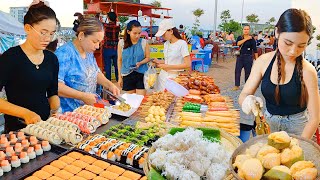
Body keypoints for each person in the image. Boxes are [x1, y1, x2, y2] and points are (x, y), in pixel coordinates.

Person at [238, 8, 320, 142]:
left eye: (301, 46)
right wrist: (248, 101)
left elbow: (315, 118)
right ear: (277, 32)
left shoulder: (308, 71)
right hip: (269, 125)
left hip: (299, 128)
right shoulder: (263, 62)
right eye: (288, 43)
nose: (293, 51)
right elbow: (244, 95)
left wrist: (299, 145)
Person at [0, 1, 60, 132]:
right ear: (27, 28)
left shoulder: (51, 59)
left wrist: (56, 110)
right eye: (43, 32)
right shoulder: (11, 57)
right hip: (17, 130)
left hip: (45, 128)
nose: (48, 38)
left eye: (51, 34)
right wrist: (25, 113)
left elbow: (52, 93)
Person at [55, 17, 120, 112]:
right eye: (94, 41)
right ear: (81, 35)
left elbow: (95, 72)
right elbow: (56, 86)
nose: (97, 46)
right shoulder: (64, 54)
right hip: (69, 114)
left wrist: (110, 85)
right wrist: (82, 96)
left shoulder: (88, 52)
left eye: (99, 42)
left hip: (89, 111)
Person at [153, 19, 191, 91]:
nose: (163, 37)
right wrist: (158, 61)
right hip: (163, 76)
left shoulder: (182, 44)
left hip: (175, 77)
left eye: (164, 34)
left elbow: (187, 64)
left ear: (171, 31)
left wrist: (168, 67)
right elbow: (169, 60)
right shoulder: (166, 44)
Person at [117, 20, 150, 95]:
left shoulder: (144, 42)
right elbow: (119, 60)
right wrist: (119, 77)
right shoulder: (121, 43)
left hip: (141, 74)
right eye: (135, 33)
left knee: (140, 99)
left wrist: (140, 63)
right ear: (128, 32)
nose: (137, 36)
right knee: (130, 101)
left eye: (139, 33)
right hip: (127, 74)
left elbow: (148, 58)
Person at [232, 25, 258, 91]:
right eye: (245, 29)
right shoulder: (240, 37)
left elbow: (255, 50)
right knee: (237, 71)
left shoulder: (252, 39)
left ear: (249, 30)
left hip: (248, 57)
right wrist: (246, 39)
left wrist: (257, 60)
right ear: (243, 30)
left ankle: (247, 85)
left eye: (247, 29)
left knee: (248, 72)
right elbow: (238, 43)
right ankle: (236, 85)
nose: (246, 30)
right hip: (240, 56)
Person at [102, 11, 121, 81]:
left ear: (108, 18)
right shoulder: (118, 27)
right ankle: (118, 80)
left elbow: (98, 21)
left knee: (107, 66)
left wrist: (101, 14)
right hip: (116, 48)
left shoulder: (105, 26)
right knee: (117, 65)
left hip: (107, 48)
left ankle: (108, 82)